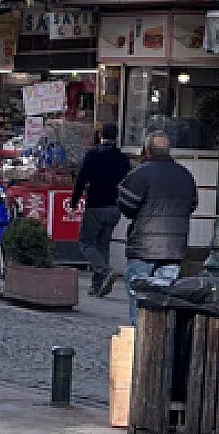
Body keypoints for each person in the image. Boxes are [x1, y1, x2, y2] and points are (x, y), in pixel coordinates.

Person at [118, 131, 198, 325]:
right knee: (163, 299)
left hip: (143, 247)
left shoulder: (139, 174)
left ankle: (140, 339)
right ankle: (161, 340)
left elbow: (126, 206)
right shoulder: (186, 175)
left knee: (138, 298)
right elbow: (192, 205)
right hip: (173, 248)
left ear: (147, 150)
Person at [69, 123, 131, 297]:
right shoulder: (123, 159)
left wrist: (73, 203)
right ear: (116, 138)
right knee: (103, 244)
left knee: (86, 242)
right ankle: (98, 286)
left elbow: (81, 180)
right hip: (115, 207)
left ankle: (103, 271)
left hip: (96, 205)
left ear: (100, 135)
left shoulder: (92, 155)